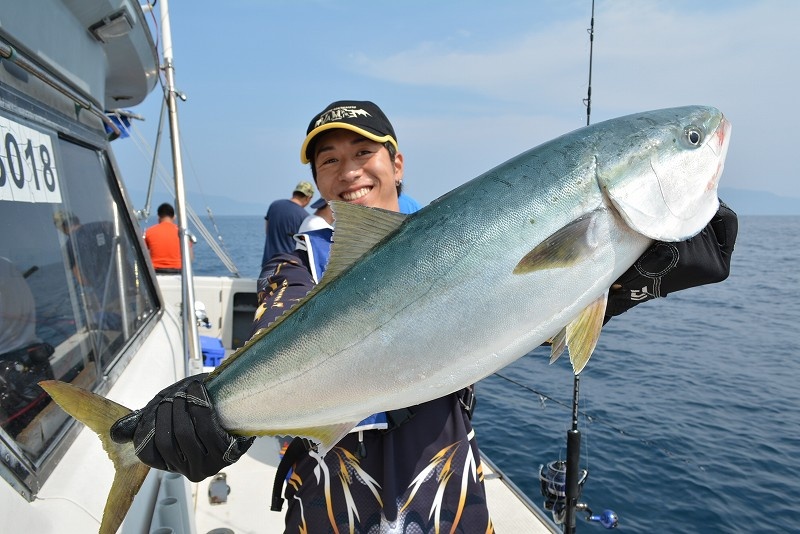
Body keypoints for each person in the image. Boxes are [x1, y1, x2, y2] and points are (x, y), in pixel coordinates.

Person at [110, 100, 738, 533]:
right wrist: (215, 415)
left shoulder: (462, 242)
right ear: (316, 178)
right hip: (329, 512)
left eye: (364, 151)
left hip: (447, 508)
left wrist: (630, 273)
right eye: (328, 159)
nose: (349, 168)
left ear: (397, 163)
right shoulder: (295, 266)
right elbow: (285, 337)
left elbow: (528, 310)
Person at [260, 181, 315, 268]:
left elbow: (267, 230)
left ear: (294, 193)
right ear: (308, 198)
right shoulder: (305, 217)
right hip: (288, 268)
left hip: (268, 264)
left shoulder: (274, 205)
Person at [144, 202, 186, 274]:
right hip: (178, 271)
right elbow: (189, 257)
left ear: (158, 216)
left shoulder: (149, 232)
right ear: (174, 217)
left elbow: (144, 253)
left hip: (155, 271)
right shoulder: (182, 233)